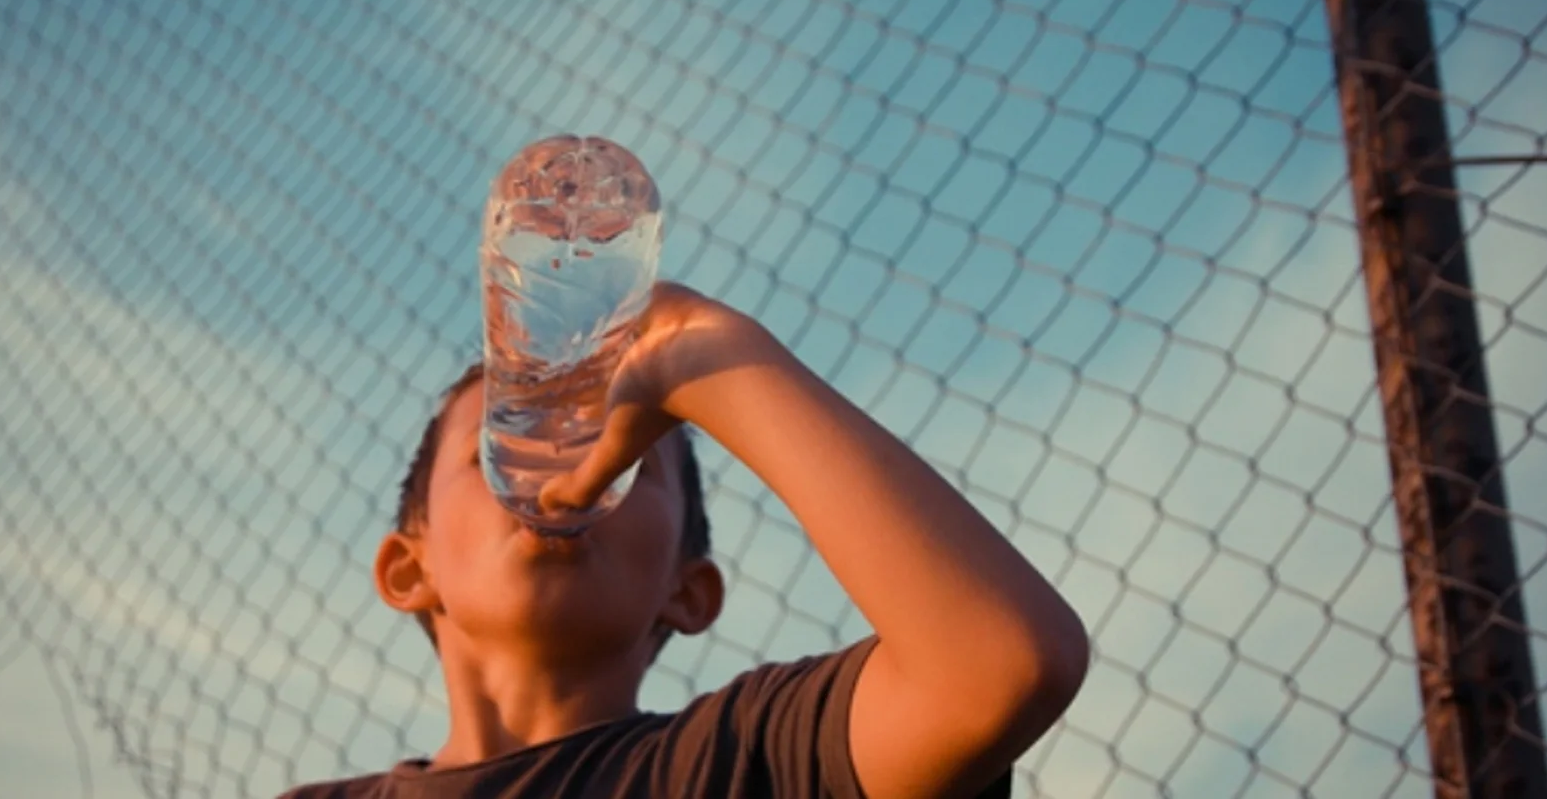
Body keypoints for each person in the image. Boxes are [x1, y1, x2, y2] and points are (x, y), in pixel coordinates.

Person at [279, 282, 1088, 798]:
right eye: (510, 435)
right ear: (405, 567)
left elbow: (1001, 665)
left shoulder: (750, 759)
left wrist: (711, 357)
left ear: (689, 589)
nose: (562, 471)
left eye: (617, 449)